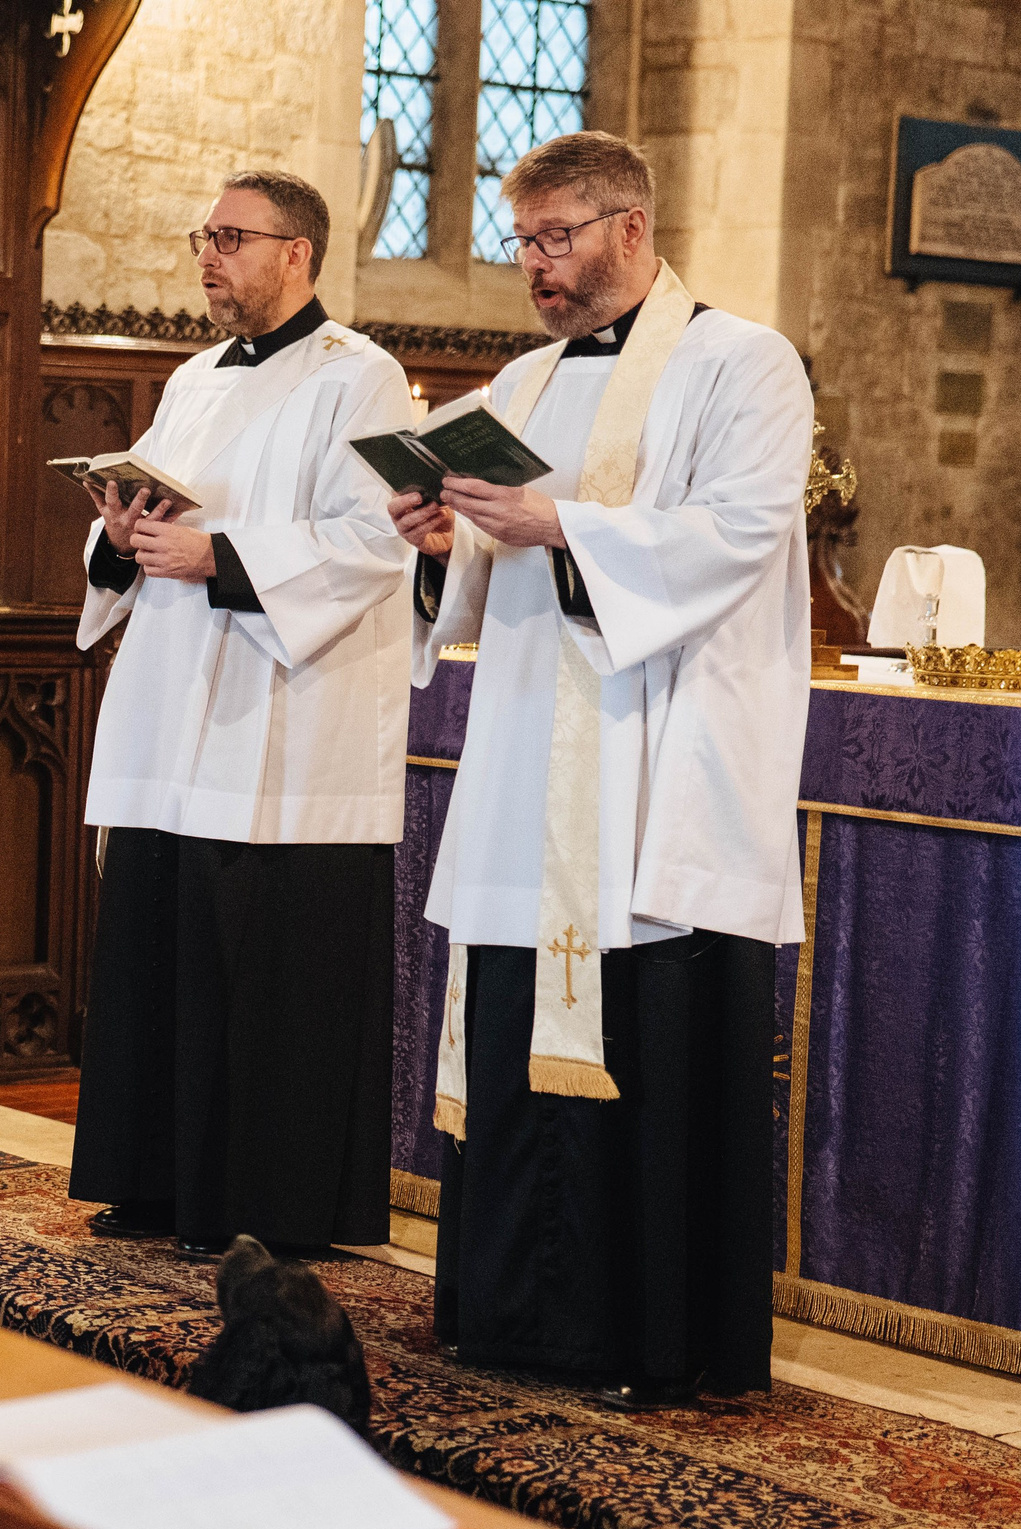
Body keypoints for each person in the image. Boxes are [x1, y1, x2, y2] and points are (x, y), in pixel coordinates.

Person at [395, 131, 811, 1406]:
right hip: (529, 763)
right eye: (524, 242)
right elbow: (472, 579)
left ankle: (653, 1336)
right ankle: (510, 1313)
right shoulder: (517, 385)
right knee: (521, 1025)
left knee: (650, 1039)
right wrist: (435, 540)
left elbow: (739, 530)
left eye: (557, 238)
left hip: (657, 768)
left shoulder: (743, 363)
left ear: (631, 228)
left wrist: (562, 525)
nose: (537, 266)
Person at [67, 169, 414, 1261]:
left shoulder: (361, 378)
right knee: (161, 945)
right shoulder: (194, 376)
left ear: (298, 252)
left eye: (231, 237)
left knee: (261, 968)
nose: (208, 256)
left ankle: (270, 1200)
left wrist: (218, 557)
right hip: (176, 702)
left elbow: (375, 537)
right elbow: (154, 511)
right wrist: (119, 535)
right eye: (201, 237)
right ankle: (155, 1179)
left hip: (286, 717)